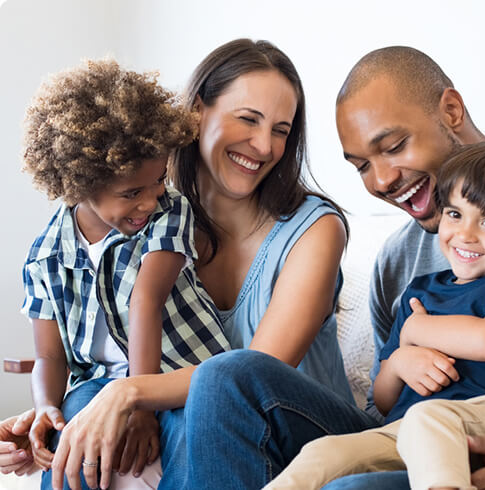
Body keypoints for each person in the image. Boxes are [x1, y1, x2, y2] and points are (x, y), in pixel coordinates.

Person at [174, 46, 485, 490]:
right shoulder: (397, 263)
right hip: (402, 435)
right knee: (225, 376)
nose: (382, 180)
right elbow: (383, 405)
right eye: (363, 166)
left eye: (394, 146)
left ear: (451, 110)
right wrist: (402, 357)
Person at [0, 39, 359, 490]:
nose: (265, 145)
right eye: (248, 119)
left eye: (282, 130)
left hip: (304, 433)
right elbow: (97, 343)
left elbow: (251, 375)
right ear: (196, 113)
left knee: (216, 389)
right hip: (214, 432)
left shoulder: (314, 230)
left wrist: (130, 393)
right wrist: (52, 417)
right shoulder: (144, 217)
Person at [263, 140, 485, 489]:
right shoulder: (420, 290)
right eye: (455, 214)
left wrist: (416, 330)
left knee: (429, 418)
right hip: (404, 426)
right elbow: (383, 399)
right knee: (324, 452)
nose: (465, 235)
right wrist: (398, 363)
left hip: (484, 421)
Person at [20, 58, 233, 490]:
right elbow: (49, 356)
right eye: (132, 193)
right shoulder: (44, 256)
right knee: (71, 446)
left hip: (178, 374)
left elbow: (146, 301)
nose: (150, 202)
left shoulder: (169, 212)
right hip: (96, 383)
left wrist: (140, 408)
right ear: (79, 186)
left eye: (157, 182)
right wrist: (45, 406)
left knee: (193, 438)